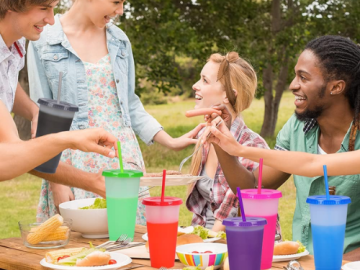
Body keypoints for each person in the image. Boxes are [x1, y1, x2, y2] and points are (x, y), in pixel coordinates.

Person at [27, 0, 203, 223]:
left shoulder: (119, 40)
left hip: (121, 158)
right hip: (72, 161)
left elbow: (129, 104)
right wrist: (57, 182)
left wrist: (170, 140)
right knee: (79, 245)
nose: (120, 10)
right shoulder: (43, 40)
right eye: (116, 2)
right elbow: (43, 114)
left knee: (128, 238)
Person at [205, 35, 360, 254]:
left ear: (336, 87)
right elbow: (252, 186)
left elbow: (313, 163)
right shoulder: (296, 128)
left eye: (303, 78)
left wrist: (239, 149)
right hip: (302, 259)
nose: (292, 85)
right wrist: (221, 140)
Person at [0, 0, 117, 194]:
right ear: (13, 6)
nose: (51, 20)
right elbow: (6, 160)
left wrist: (33, 111)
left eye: (53, 8)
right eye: (44, 8)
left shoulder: (15, 41)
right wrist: (68, 139)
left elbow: (6, 83)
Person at [185, 52, 271, 232]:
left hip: (236, 242)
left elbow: (230, 215)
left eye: (205, 81)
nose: (195, 85)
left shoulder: (252, 145)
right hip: (204, 240)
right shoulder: (205, 135)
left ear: (228, 95)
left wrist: (199, 247)